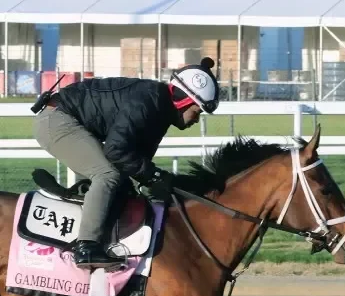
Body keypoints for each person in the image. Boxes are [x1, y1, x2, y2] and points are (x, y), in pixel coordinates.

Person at [32, 57, 220, 269]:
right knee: (106, 175)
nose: (196, 120)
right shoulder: (149, 102)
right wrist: (155, 176)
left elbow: (137, 162)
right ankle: (86, 247)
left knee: (121, 186)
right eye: (197, 112)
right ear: (185, 101)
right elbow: (116, 150)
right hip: (57, 120)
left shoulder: (160, 110)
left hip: (68, 118)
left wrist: (156, 180)